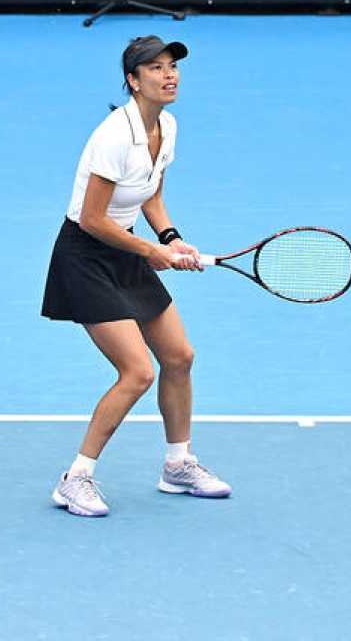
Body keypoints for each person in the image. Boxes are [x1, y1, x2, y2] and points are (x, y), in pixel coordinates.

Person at [42, 35, 231, 517]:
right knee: (138, 371)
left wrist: (169, 239)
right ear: (132, 80)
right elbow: (92, 219)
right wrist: (149, 251)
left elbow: (150, 193)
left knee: (179, 356)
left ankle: (178, 464)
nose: (169, 75)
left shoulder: (166, 126)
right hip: (85, 258)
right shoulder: (112, 136)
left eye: (172, 67)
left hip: (124, 249)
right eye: (155, 69)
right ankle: (75, 478)